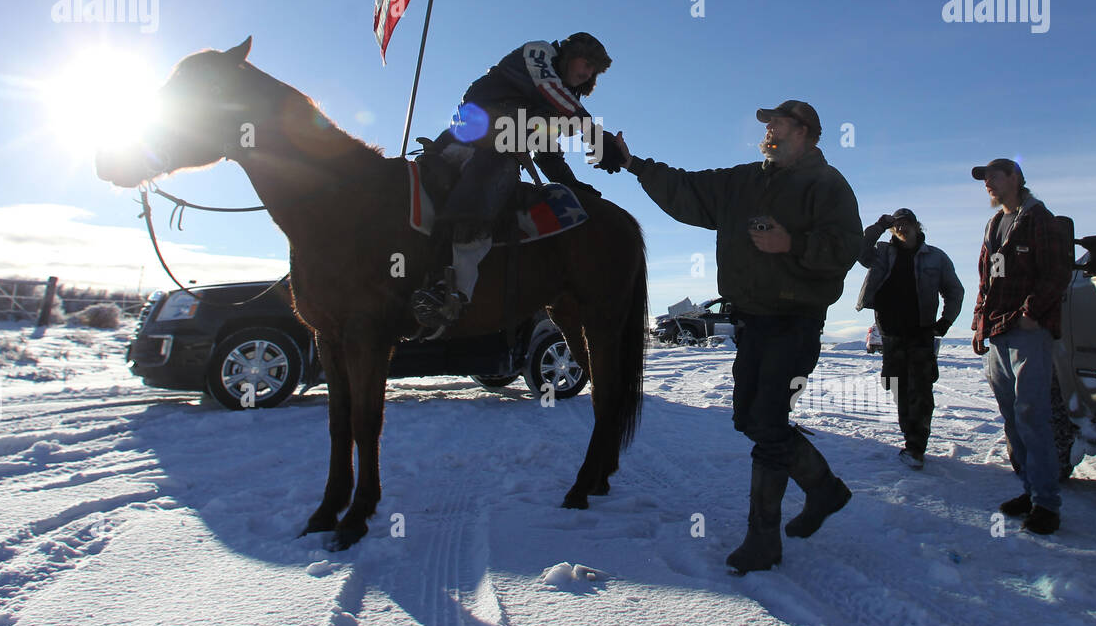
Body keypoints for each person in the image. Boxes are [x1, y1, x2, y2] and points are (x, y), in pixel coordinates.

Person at [611, 101, 863, 573]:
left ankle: (763, 539)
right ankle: (825, 490)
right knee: (750, 419)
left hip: (795, 320)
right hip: (751, 321)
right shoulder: (743, 181)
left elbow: (848, 247)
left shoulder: (827, 185)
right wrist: (632, 163)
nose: (768, 129)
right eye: (766, 124)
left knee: (767, 423)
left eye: (778, 123)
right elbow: (686, 188)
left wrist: (793, 244)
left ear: (804, 131)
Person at [411, 33, 623, 328]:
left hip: (500, 156)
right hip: (462, 144)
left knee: (500, 183)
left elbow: (547, 153)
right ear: (568, 54)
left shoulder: (563, 106)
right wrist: (597, 136)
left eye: (594, 69)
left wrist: (573, 186)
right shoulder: (539, 54)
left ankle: (453, 292)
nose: (587, 72)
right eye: (585, 62)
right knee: (485, 185)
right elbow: (550, 90)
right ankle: (445, 287)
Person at [970, 158, 1072, 535]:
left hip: (1028, 332)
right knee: (1013, 418)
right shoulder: (995, 224)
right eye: (984, 180)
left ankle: (1047, 503)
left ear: (1016, 177)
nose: (988, 184)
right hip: (997, 332)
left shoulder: (1040, 220)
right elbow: (986, 279)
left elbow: (1058, 273)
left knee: (1033, 415)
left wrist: (1030, 314)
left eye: (994, 176)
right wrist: (980, 323)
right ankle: (1030, 491)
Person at [855, 208, 964, 469]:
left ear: (917, 226)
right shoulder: (881, 252)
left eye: (906, 224)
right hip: (891, 333)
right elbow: (859, 250)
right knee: (896, 386)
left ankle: (916, 446)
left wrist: (946, 321)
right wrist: (880, 224)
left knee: (921, 389)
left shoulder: (935, 257)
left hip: (920, 332)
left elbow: (954, 290)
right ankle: (910, 437)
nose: (901, 228)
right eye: (897, 225)